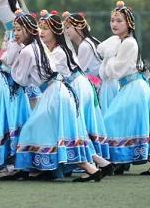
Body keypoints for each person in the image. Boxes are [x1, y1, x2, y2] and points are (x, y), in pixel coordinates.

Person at [2, 11, 102, 182]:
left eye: (19, 30)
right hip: (58, 90)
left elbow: (20, 79)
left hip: (54, 93)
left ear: (27, 30)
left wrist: (12, 58)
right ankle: (38, 170)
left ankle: (90, 169)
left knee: (37, 129)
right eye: (15, 30)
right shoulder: (37, 46)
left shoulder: (28, 50)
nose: (16, 34)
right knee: (53, 132)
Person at [40, 10, 113, 176]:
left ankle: (89, 162)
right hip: (81, 84)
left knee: (75, 129)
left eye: (45, 28)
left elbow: (48, 75)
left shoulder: (61, 51)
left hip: (76, 86)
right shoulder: (63, 48)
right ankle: (100, 162)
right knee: (78, 128)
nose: (41, 32)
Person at [100, 1, 150, 176]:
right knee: (127, 124)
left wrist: (109, 55)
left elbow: (114, 70)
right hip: (131, 87)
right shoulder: (123, 42)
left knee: (111, 121)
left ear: (129, 23)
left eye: (119, 20)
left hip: (134, 87)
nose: (114, 24)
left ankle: (147, 161)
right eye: (112, 20)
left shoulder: (128, 43)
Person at [64, 12, 118, 113]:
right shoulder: (90, 40)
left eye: (68, 27)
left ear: (79, 27)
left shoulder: (85, 45)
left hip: (102, 87)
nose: (66, 31)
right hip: (105, 84)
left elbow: (80, 74)